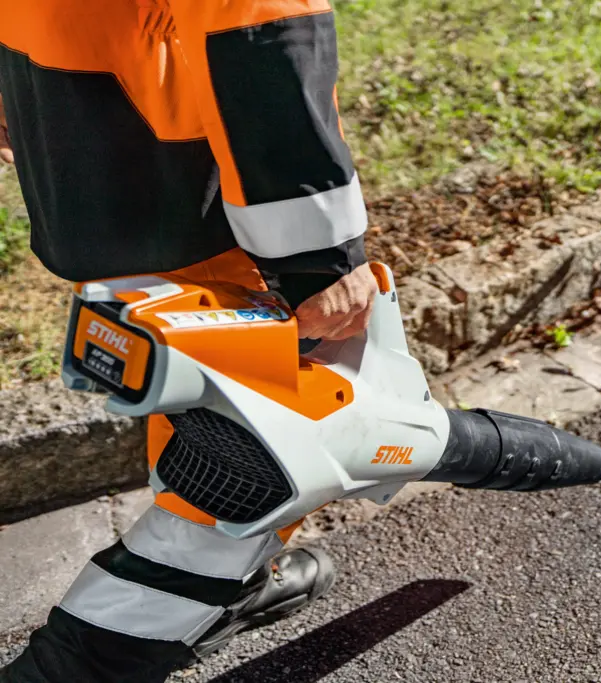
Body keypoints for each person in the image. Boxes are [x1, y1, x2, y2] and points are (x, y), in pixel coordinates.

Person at [0, 1, 379, 680]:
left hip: (73, 121)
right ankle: (90, 660)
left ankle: (230, 582)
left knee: (190, 392)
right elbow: (257, 26)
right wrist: (319, 258)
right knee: (268, 425)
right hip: (182, 167)